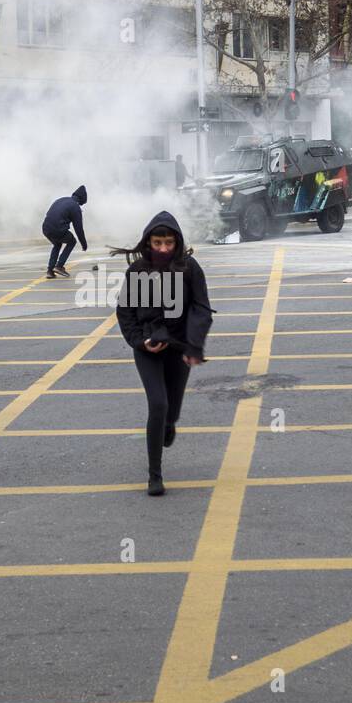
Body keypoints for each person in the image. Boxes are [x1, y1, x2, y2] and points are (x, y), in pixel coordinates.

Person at [113, 211, 213, 496]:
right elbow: (125, 312)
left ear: (177, 242)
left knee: (172, 410)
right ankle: (154, 475)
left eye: (169, 243)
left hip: (179, 347)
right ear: (148, 243)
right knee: (158, 404)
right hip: (147, 349)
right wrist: (140, 342)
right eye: (157, 243)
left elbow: (201, 308)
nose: (163, 249)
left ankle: (169, 424)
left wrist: (194, 345)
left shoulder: (190, 268)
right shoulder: (136, 272)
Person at [41, 185, 87, 279]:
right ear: (82, 200)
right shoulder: (75, 207)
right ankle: (59, 266)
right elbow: (79, 228)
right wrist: (84, 244)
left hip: (46, 228)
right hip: (57, 229)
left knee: (57, 244)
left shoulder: (62, 199)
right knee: (72, 241)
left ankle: (50, 271)